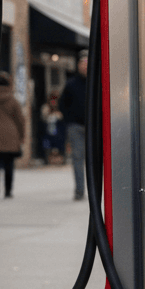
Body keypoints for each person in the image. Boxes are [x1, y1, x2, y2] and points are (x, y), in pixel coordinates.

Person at [0, 71, 24, 198]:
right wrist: (21, 135)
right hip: (11, 135)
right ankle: (8, 190)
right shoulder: (13, 99)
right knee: (9, 164)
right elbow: (20, 119)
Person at [58, 52, 88, 200]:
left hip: (93, 127)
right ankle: (79, 189)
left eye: (88, 63)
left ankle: (95, 188)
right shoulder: (71, 84)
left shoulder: (97, 82)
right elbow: (62, 104)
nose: (85, 66)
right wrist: (69, 119)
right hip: (75, 125)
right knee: (77, 157)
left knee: (94, 159)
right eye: (83, 63)